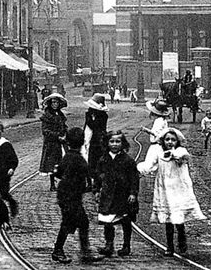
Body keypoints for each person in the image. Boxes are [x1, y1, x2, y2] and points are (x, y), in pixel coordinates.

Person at [137, 128, 206, 257]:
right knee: (168, 220)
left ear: (177, 141)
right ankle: (170, 246)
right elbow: (150, 165)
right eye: (167, 139)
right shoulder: (158, 152)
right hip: (164, 189)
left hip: (178, 188)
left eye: (173, 140)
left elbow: (183, 157)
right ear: (163, 141)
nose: (170, 142)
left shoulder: (181, 151)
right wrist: (138, 170)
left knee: (178, 217)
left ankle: (181, 237)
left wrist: (173, 154)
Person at [52, 127, 99, 264]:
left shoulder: (67, 156)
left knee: (79, 222)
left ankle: (84, 251)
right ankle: (60, 250)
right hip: (72, 196)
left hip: (65, 194)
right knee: (73, 222)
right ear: (82, 142)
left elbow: (59, 173)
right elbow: (87, 177)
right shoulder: (80, 160)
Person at [93, 130, 139, 258]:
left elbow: (134, 178)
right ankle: (109, 244)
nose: (114, 144)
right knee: (108, 220)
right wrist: (96, 190)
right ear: (107, 143)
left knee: (125, 220)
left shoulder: (128, 160)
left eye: (118, 141)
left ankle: (126, 245)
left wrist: (133, 193)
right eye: (112, 141)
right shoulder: (103, 159)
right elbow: (97, 176)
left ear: (123, 143)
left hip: (122, 195)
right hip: (108, 194)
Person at [40, 93, 68, 191]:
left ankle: (63, 183)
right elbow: (45, 131)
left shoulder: (60, 114)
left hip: (61, 142)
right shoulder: (47, 115)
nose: (55, 104)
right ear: (50, 104)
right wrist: (57, 136)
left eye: (57, 102)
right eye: (53, 102)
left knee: (62, 161)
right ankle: (52, 184)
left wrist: (65, 134)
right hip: (51, 142)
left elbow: (64, 126)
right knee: (51, 163)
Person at [82, 93, 109, 164]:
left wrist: (89, 118)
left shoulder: (103, 116)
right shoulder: (90, 114)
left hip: (97, 139)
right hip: (88, 136)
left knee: (94, 158)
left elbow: (94, 126)